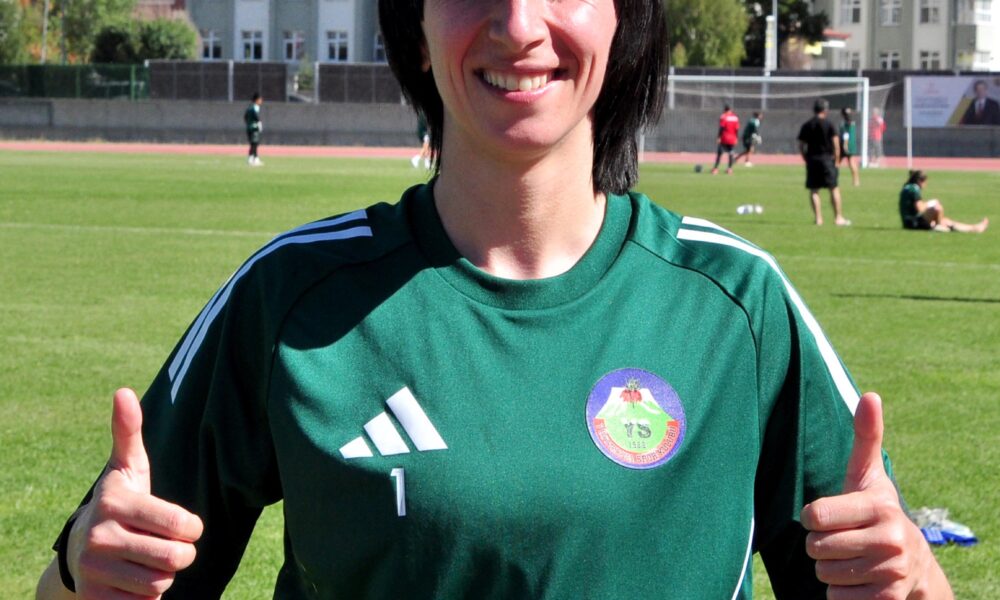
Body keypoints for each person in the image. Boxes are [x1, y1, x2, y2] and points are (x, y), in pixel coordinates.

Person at [38, 1, 953, 598]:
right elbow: (100, 574)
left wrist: (913, 574)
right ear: (415, 23)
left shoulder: (734, 305)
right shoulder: (292, 297)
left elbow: (891, 577)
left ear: (625, 21)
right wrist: (86, 571)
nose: (518, 24)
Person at [798, 99, 850, 226]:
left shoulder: (807, 125)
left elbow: (801, 145)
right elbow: (836, 145)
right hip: (827, 160)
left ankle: (818, 219)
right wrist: (837, 160)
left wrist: (806, 158)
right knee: (834, 188)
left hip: (812, 160)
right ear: (825, 110)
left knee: (814, 190)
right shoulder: (829, 124)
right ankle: (838, 218)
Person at [899, 170, 989, 233]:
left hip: (910, 221)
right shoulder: (914, 189)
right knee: (938, 208)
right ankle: (939, 227)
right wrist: (931, 203)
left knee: (946, 221)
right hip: (913, 222)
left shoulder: (908, 187)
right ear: (920, 181)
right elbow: (920, 208)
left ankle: (974, 228)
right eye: (925, 182)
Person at [711, 103, 739, 175]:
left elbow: (722, 128)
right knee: (731, 153)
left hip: (724, 137)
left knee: (720, 153)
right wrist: (736, 138)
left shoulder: (724, 116)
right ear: (730, 110)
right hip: (732, 138)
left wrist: (719, 137)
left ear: (725, 110)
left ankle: (715, 169)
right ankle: (729, 169)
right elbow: (737, 129)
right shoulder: (735, 117)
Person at [839, 107, 860, 186]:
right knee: (851, 162)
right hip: (851, 144)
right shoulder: (852, 122)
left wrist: (845, 145)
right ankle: (856, 181)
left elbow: (846, 135)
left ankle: (832, 179)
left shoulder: (845, 123)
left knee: (836, 162)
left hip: (846, 144)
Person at [244, 93, 263, 167]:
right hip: (254, 128)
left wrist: (248, 124)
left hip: (249, 128)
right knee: (254, 143)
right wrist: (259, 123)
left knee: (253, 144)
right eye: (260, 99)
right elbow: (256, 117)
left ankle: (253, 158)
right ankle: (254, 158)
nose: (261, 101)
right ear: (256, 100)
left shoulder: (249, 107)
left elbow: (245, 117)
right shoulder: (254, 107)